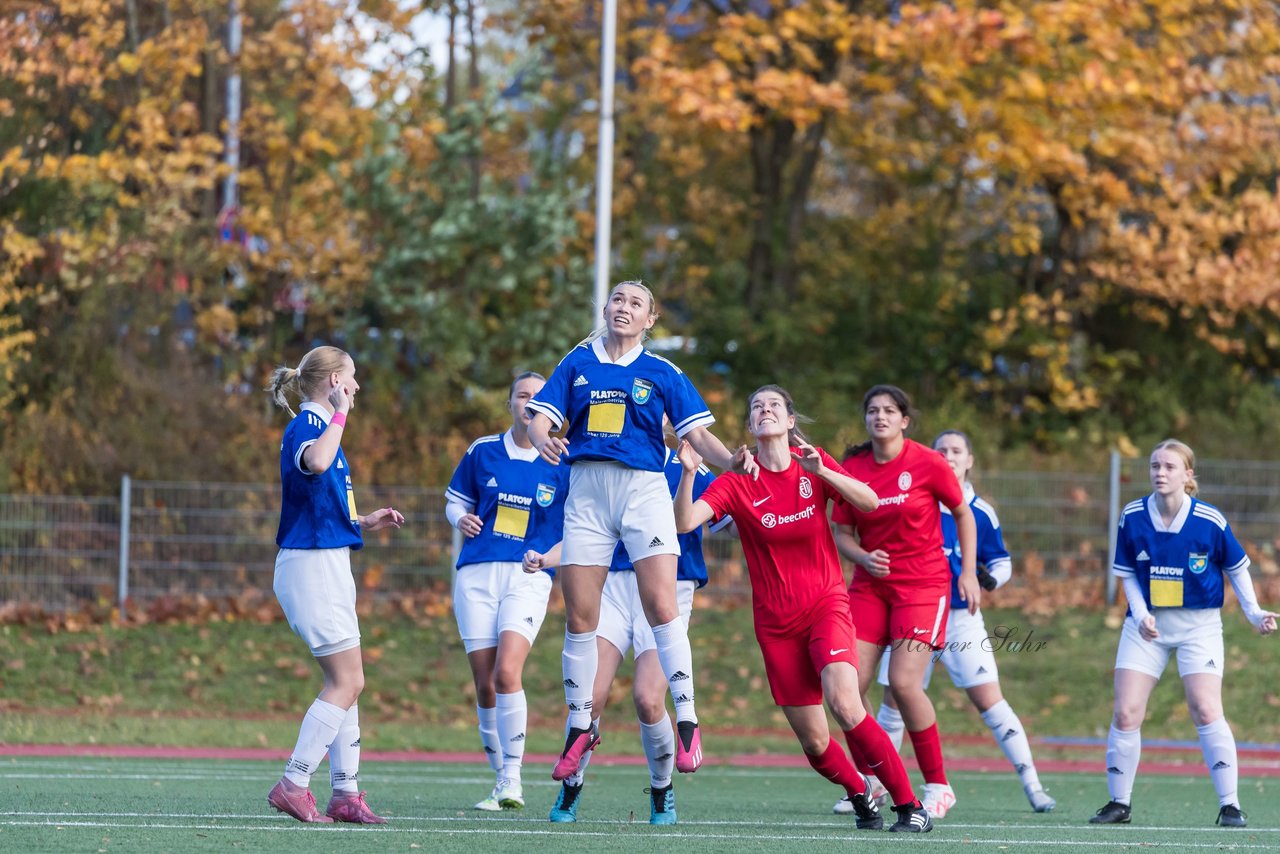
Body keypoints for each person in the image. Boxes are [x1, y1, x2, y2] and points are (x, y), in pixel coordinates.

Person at [674, 384, 933, 833]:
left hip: (826, 607)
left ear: (790, 421)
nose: (766, 410)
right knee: (815, 741)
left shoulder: (813, 463)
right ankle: (859, 794)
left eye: (775, 405)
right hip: (775, 626)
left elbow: (869, 503)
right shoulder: (736, 483)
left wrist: (825, 473)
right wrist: (687, 473)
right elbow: (683, 522)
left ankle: (911, 807)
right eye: (757, 406)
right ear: (752, 426)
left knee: (846, 704)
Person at [526, 280, 757, 782]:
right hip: (587, 492)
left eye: (636, 304)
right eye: (617, 300)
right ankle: (579, 725)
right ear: (605, 308)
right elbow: (539, 420)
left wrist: (734, 460)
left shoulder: (662, 371)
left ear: (650, 320)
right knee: (579, 617)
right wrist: (543, 438)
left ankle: (689, 720)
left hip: (643, 492)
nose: (623, 308)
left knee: (661, 605)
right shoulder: (577, 361)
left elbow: (697, 434)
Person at [834, 429, 1055, 816]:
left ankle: (1033, 785)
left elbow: (1001, 561)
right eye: (941, 449)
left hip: (959, 619)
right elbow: (851, 527)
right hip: (907, 609)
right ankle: (877, 781)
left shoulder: (977, 511)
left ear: (970, 460)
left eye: (957, 451)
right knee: (895, 695)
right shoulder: (911, 494)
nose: (948, 456)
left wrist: (985, 578)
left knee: (988, 700)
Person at [1089, 439, 1277, 828]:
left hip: (1199, 627)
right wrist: (1141, 615)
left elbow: (1238, 567)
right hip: (1147, 627)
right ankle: (1119, 803)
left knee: (1206, 708)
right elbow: (1126, 573)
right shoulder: (1133, 515)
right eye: (1155, 465)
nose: (1160, 472)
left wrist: (1254, 612)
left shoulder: (1209, 520)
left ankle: (1230, 805)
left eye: (1170, 467)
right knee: (1126, 712)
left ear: (1188, 475)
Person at [549, 442, 728, 825]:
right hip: (612, 587)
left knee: (648, 699)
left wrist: (700, 471)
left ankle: (661, 789)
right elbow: (585, 528)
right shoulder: (607, 456)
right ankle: (572, 784)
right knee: (589, 697)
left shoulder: (688, 463)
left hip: (668, 588)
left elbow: (722, 517)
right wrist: (547, 556)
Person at [263, 345, 405, 824]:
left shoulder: (323, 431)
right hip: (310, 568)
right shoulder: (310, 427)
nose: (358, 387)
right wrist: (339, 415)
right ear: (334, 383)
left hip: (327, 561)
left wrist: (363, 520)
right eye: (352, 378)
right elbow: (317, 464)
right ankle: (294, 783)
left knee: (346, 683)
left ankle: (345, 794)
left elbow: (320, 505)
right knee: (348, 681)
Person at [831, 384, 979, 821]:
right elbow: (842, 532)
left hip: (923, 586)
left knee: (903, 683)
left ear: (904, 420)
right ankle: (870, 781)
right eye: (873, 410)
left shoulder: (928, 463)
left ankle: (938, 784)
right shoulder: (853, 467)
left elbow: (963, 514)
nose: (880, 417)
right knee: (847, 687)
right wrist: (862, 557)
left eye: (889, 411)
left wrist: (967, 572)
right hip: (870, 588)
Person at [444, 371, 569, 812]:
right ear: (510, 403)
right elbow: (455, 500)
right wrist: (459, 518)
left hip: (527, 577)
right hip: (477, 575)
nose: (530, 404)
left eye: (539, 398)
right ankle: (499, 782)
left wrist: (547, 560)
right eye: (522, 396)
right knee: (484, 685)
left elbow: (577, 531)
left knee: (506, 673)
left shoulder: (562, 462)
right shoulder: (483, 451)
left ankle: (512, 779)